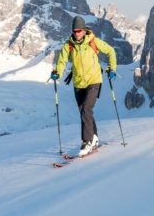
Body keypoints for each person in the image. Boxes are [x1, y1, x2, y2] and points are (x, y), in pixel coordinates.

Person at [50, 16, 117, 156]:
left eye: (79, 31)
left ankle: (86, 142)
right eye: (74, 31)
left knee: (86, 109)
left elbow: (111, 51)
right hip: (79, 83)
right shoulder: (69, 45)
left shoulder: (93, 41)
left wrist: (112, 68)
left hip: (94, 80)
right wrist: (58, 73)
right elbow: (61, 61)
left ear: (84, 30)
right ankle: (95, 137)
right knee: (84, 112)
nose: (77, 33)